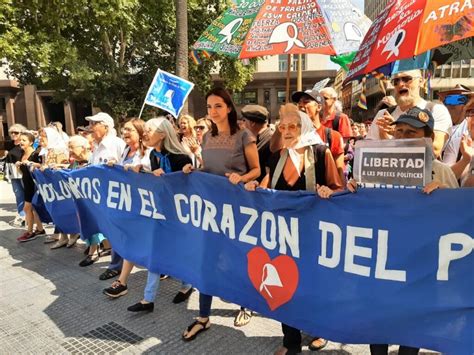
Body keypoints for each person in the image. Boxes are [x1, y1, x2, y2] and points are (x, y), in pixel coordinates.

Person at [348, 107, 458, 355]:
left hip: (421, 271)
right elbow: (360, 215)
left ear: (427, 139)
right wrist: (352, 193)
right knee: (377, 329)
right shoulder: (371, 168)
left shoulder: (441, 172)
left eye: (411, 132)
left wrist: (445, 197)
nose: (403, 137)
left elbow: (457, 222)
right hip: (381, 267)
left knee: (412, 333)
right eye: (398, 132)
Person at [244, 104, 343, 355]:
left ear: (305, 127)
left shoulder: (321, 153)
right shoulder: (276, 156)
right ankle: (291, 342)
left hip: (313, 235)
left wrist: (329, 191)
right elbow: (269, 185)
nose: (287, 131)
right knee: (284, 287)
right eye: (283, 126)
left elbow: (338, 188)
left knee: (313, 287)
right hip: (282, 236)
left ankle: (320, 330)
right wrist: (257, 187)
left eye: (293, 126)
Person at [181, 87, 260, 340]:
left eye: (217, 106)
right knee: (207, 261)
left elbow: (257, 170)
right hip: (209, 211)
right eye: (209, 107)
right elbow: (208, 168)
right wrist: (193, 169)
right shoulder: (206, 138)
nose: (212, 111)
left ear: (228, 107)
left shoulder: (244, 135)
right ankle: (203, 317)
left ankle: (246, 305)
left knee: (239, 260)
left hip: (237, 211)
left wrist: (242, 176)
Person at [124, 117, 194, 312]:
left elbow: (189, 189)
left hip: (180, 217)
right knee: (155, 252)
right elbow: (155, 179)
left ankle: (187, 285)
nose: (144, 133)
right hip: (160, 212)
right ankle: (148, 299)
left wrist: (183, 174)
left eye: (149, 130)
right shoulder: (154, 155)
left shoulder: (181, 158)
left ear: (162, 134)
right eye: (144, 129)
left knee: (180, 252)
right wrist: (140, 169)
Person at [99, 118, 151, 281]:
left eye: (129, 130)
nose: (125, 133)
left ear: (140, 132)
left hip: (143, 203)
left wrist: (140, 168)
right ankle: (120, 276)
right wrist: (116, 165)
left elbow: (151, 171)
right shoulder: (126, 149)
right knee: (123, 234)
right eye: (124, 130)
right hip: (126, 202)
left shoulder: (147, 151)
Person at [366, 69, 452, 158]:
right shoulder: (383, 114)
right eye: (396, 81)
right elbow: (366, 153)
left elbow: (434, 151)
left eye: (406, 79)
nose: (400, 84)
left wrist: (396, 133)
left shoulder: (436, 110)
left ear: (421, 81)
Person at [79, 112, 125, 267]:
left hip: (116, 197)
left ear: (105, 126)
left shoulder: (117, 144)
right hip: (100, 196)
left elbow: (126, 167)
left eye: (94, 124)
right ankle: (104, 253)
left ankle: (116, 266)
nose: (90, 127)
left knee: (116, 231)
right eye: (90, 124)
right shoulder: (96, 148)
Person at [292, 89, 345, 183]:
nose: (301, 105)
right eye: (299, 102)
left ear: (319, 107)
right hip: (297, 194)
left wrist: (340, 194)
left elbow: (339, 173)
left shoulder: (333, 136)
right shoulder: (290, 136)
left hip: (324, 195)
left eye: (306, 102)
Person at [439, 85, 474, 185]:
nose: (451, 104)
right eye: (448, 100)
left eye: (457, 100)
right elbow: (446, 175)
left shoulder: (465, 132)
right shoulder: (441, 129)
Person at [15, 131, 45, 242]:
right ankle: (40, 229)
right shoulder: (22, 154)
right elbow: (23, 173)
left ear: (31, 142)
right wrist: (18, 166)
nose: (21, 142)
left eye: (24, 140)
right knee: (33, 209)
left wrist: (31, 164)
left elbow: (41, 168)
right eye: (20, 140)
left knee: (26, 208)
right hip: (26, 183)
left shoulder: (35, 154)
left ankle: (29, 231)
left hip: (34, 185)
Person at [241, 104, 275, 182]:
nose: (242, 124)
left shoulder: (270, 141)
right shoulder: (253, 138)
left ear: (252, 123)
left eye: (244, 120)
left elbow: (270, 173)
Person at [5, 124, 27, 227]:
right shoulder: (9, 144)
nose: (13, 134)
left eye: (16, 133)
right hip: (12, 171)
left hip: (22, 169)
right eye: (11, 132)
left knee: (27, 192)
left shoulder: (24, 143)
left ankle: (30, 215)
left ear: (22, 133)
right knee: (18, 193)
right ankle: (21, 214)